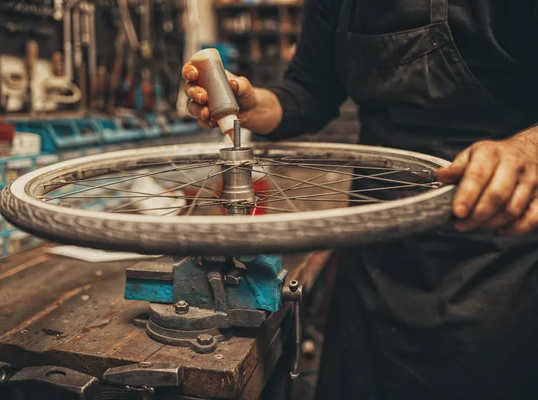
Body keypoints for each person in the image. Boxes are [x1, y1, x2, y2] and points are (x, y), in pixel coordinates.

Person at [182, 1, 538, 399]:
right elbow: (311, 89)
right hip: (376, 248)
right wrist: (253, 105)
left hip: (496, 252)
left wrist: (529, 147)